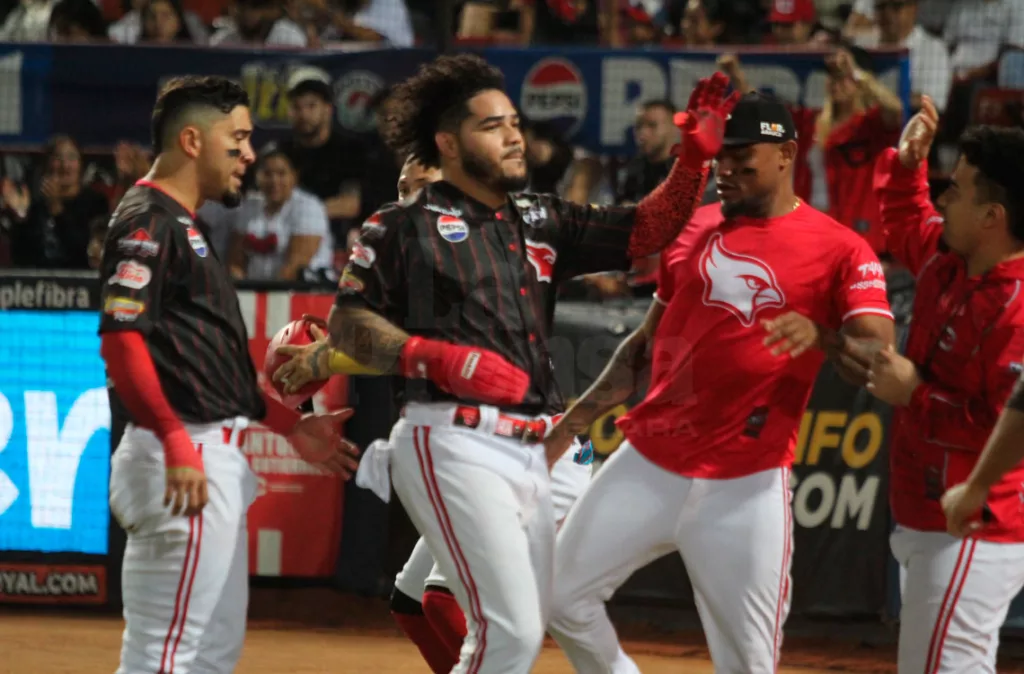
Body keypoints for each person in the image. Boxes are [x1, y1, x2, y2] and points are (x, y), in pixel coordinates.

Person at [305, 54, 736, 672]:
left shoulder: (540, 217)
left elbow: (648, 228)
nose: (513, 134)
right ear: (449, 146)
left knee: (529, 618)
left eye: (514, 122)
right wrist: (434, 358)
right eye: (493, 125)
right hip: (452, 437)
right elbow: (352, 322)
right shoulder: (400, 227)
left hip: (540, 445)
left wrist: (693, 160)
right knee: (504, 624)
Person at [542, 91, 896, 673]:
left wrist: (824, 336)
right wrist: (569, 427)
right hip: (650, 459)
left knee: (749, 666)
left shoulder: (840, 249)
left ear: (786, 154)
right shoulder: (694, 226)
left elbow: (879, 359)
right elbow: (642, 348)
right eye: (720, 156)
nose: (724, 168)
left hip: (747, 483)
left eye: (741, 155)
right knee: (560, 595)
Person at [272, 150, 594, 674]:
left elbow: (417, 343)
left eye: (423, 188)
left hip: (537, 455)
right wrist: (321, 363)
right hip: (486, 457)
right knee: (412, 604)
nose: (408, 201)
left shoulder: (478, 254)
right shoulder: (416, 260)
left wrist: (325, 355)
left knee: (446, 602)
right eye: (402, 187)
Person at [98, 75, 359, 674]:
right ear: (192, 140)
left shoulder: (186, 225)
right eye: (238, 139)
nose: (249, 154)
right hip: (183, 457)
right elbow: (120, 341)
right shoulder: (149, 219)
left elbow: (210, 370)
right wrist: (173, 441)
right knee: (164, 660)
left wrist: (290, 427)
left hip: (205, 451)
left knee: (209, 658)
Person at [870, 97, 1024, 673]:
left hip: (969, 531)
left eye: (956, 189)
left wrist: (915, 394)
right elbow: (908, 219)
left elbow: (1003, 428)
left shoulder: (1016, 309)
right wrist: (909, 164)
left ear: (993, 218)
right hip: (924, 516)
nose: (942, 198)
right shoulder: (948, 259)